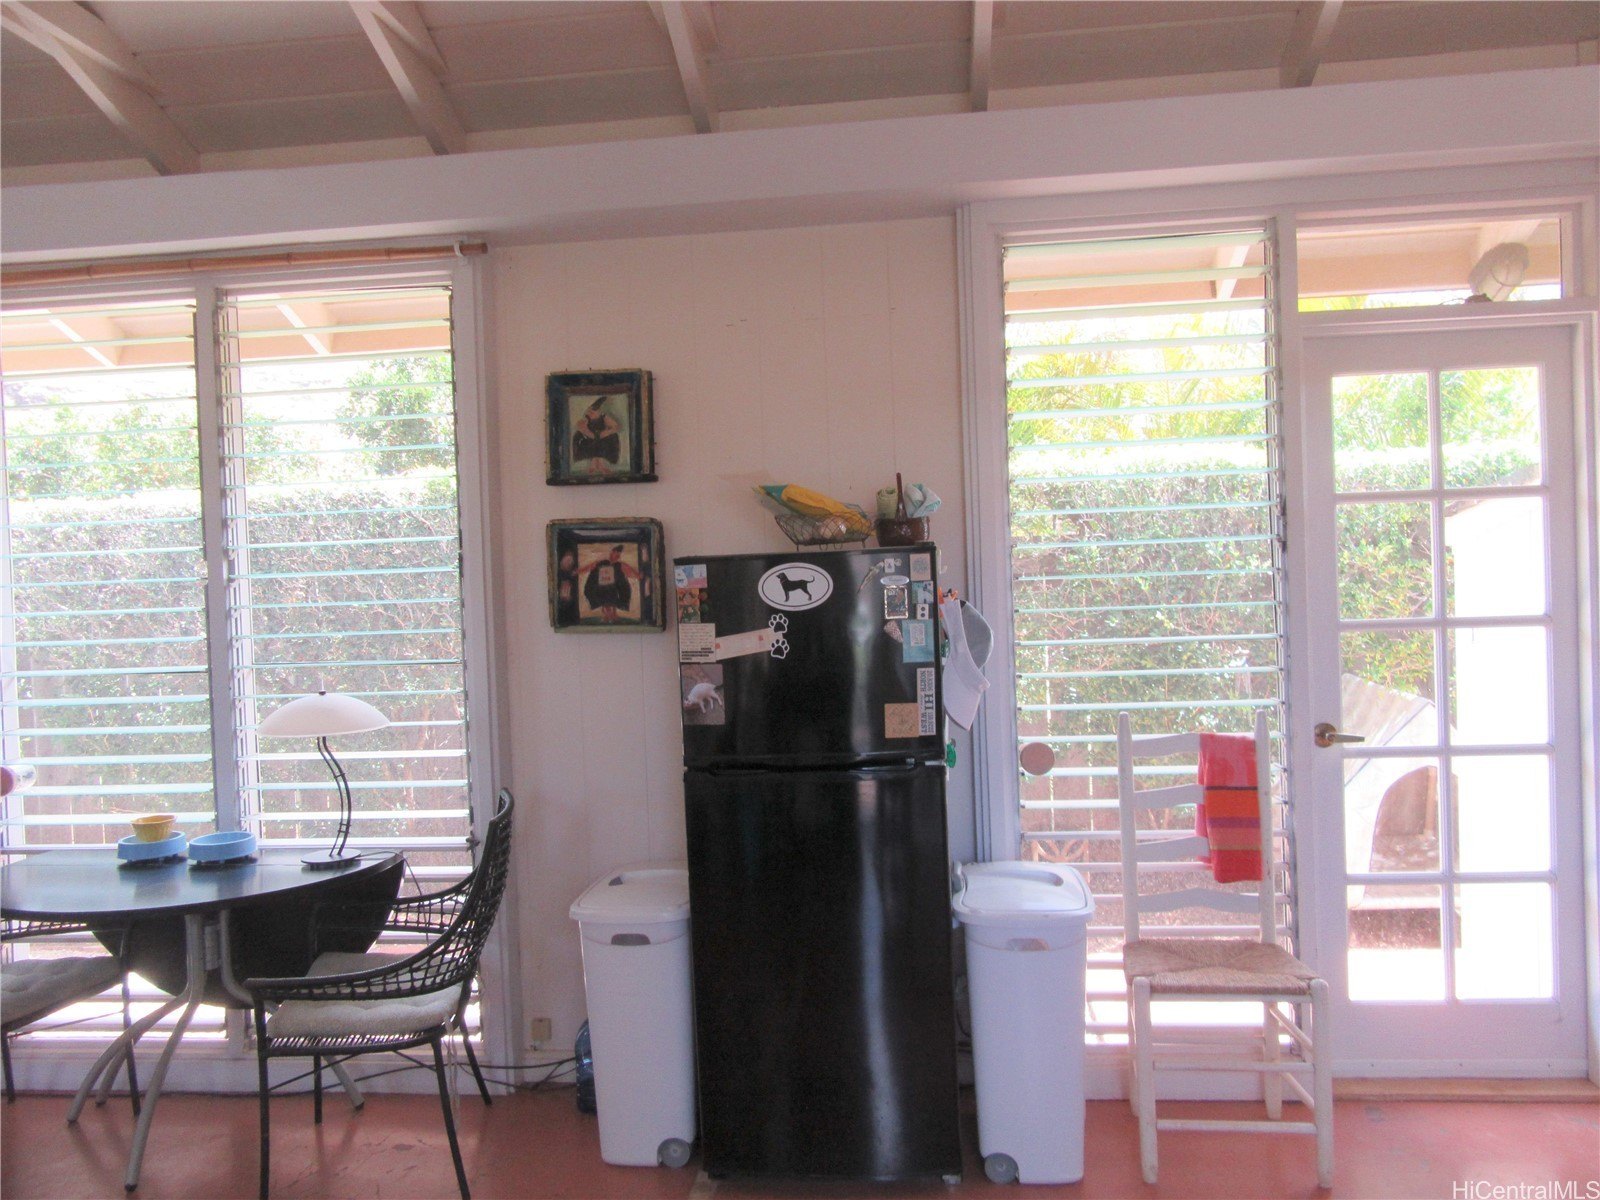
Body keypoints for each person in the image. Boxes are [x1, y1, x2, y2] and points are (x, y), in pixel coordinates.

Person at [580, 545, 640, 621]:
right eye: (616, 554)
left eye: (618, 555)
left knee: (614, 597)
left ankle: (614, 615)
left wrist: (638, 575)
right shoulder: (602, 562)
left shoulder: (619, 565)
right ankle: (607, 615)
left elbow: (629, 571)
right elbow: (590, 567)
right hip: (602, 587)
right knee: (605, 598)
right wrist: (579, 571)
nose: (617, 556)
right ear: (612, 552)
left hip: (614, 588)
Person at [571, 397, 621, 473]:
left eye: (594, 411)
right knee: (592, 439)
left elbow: (616, 427)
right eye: (590, 411)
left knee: (612, 436)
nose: (591, 413)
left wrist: (606, 433)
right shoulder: (585, 420)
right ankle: (594, 464)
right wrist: (597, 435)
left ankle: (600, 464)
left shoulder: (603, 417)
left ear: (599, 412)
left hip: (601, 441)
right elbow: (584, 431)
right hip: (588, 441)